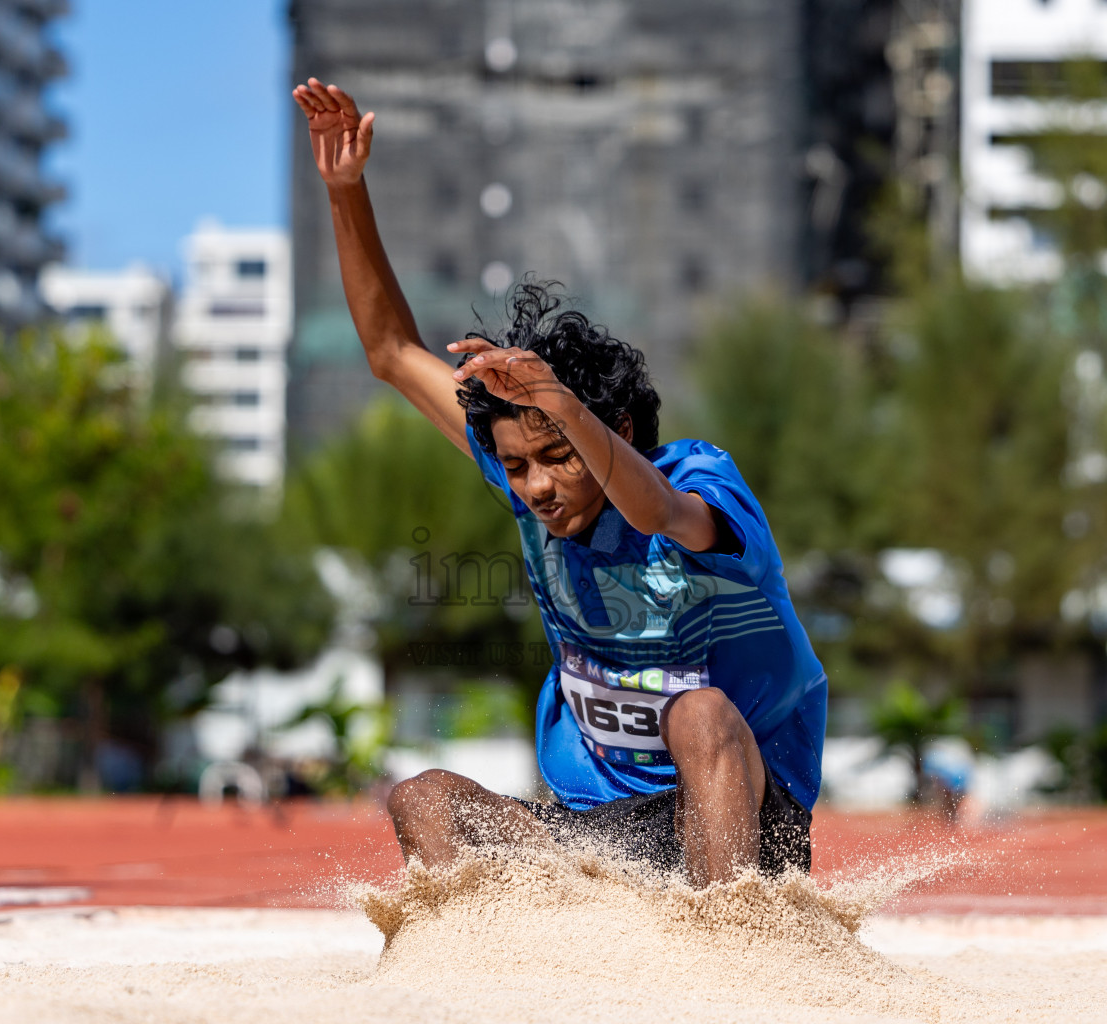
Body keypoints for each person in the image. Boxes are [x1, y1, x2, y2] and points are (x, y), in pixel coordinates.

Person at [293, 79, 827, 887]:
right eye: (515, 467)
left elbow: (653, 510)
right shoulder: (526, 480)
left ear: (602, 431)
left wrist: (558, 404)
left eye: (557, 456)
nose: (535, 488)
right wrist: (345, 191)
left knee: (699, 711)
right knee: (426, 800)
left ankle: (733, 957)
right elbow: (393, 352)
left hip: (745, 815)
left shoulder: (697, 477)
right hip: (597, 833)